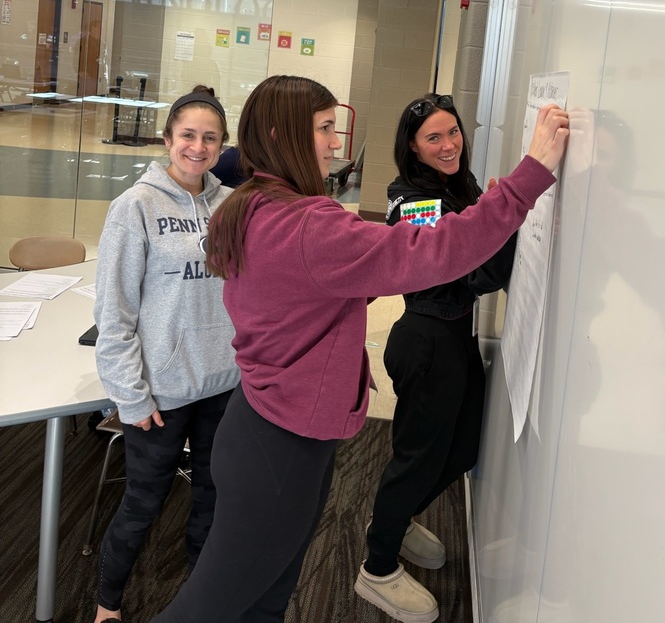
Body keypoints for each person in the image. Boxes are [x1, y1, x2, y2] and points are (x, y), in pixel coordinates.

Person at [150, 75, 568, 623]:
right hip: (280, 445)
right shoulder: (305, 223)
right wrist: (529, 175)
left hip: (268, 428)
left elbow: (321, 288)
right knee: (212, 604)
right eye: (324, 129)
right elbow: (434, 252)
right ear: (284, 134)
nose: (334, 143)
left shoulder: (256, 202)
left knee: (266, 595)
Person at [361, 93, 518, 616]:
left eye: (453, 133)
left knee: (465, 448)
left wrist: (495, 215)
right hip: (426, 340)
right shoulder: (416, 201)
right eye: (434, 137)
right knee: (417, 458)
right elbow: (472, 274)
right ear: (412, 146)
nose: (449, 144)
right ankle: (377, 567)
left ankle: (395, 518)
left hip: (456, 337)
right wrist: (509, 223)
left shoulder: (457, 183)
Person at [92, 85, 240, 623]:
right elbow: (114, 314)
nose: (198, 147)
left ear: (223, 144)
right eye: (187, 136)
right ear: (168, 139)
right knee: (143, 504)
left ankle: (201, 597)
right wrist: (130, 396)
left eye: (210, 138)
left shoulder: (231, 205)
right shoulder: (135, 206)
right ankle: (108, 603)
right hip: (160, 393)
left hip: (223, 386)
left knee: (213, 498)